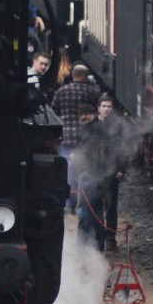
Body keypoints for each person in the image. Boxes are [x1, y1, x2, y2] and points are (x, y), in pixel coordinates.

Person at [50, 62, 101, 211]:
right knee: (85, 168)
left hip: (66, 136)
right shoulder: (92, 92)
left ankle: (68, 203)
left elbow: (53, 112)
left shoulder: (61, 91)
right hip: (85, 137)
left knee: (67, 169)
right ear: (84, 76)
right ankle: (84, 200)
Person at [95, 95, 129, 252]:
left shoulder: (118, 127)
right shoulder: (92, 125)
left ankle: (110, 239)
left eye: (109, 107)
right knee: (95, 205)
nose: (107, 109)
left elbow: (123, 149)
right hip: (94, 171)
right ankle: (97, 238)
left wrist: (122, 168)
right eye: (104, 106)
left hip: (111, 171)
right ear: (99, 108)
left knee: (110, 207)